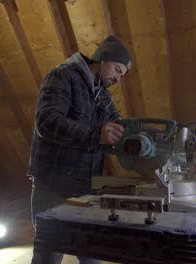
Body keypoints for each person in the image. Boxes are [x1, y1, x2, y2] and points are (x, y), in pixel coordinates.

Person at [28, 35, 132, 264]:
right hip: (53, 185)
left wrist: (134, 135)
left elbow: (118, 124)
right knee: (49, 253)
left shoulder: (101, 94)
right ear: (104, 59)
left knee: (91, 254)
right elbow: (46, 121)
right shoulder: (63, 76)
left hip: (85, 189)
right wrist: (97, 134)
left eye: (121, 75)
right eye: (117, 70)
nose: (117, 78)